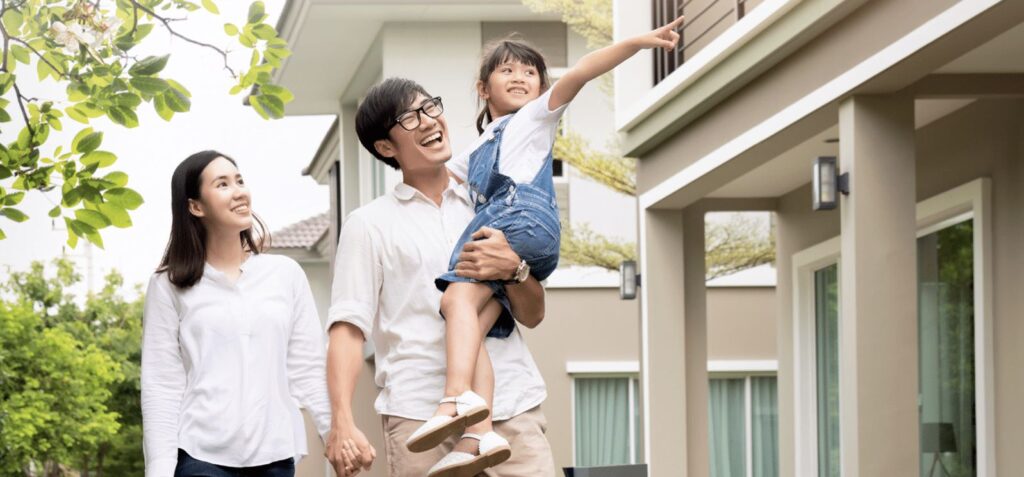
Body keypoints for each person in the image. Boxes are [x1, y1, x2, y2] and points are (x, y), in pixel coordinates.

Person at [408, 15, 687, 477]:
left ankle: (454, 399)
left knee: (455, 297)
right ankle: (480, 436)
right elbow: (433, 172)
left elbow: (581, 72)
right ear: (483, 89)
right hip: (523, 239)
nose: (520, 77)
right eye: (507, 70)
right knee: (473, 327)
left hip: (519, 221)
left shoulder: (534, 119)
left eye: (529, 72)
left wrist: (638, 42)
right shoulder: (480, 145)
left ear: (540, 88)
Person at [324, 78, 550, 477]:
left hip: (513, 408)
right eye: (410, 117)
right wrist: (341, 419)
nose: (429, 121)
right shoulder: (369, 224)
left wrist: (514, 270)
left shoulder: (492, 202)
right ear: (385, 147)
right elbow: (348, 329)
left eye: (431, 108)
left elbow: (533, 315)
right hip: (420, 417)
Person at [141, 150, 331, 477]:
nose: (239, 191)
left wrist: (334, 434)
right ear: (195, 206)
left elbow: (307, 365)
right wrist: (159, 470)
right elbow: (162, 384)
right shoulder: (168, 285)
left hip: (275, 456)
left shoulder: (284, 274)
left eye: (239, 180)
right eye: (223, 184)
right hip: (200, 456)